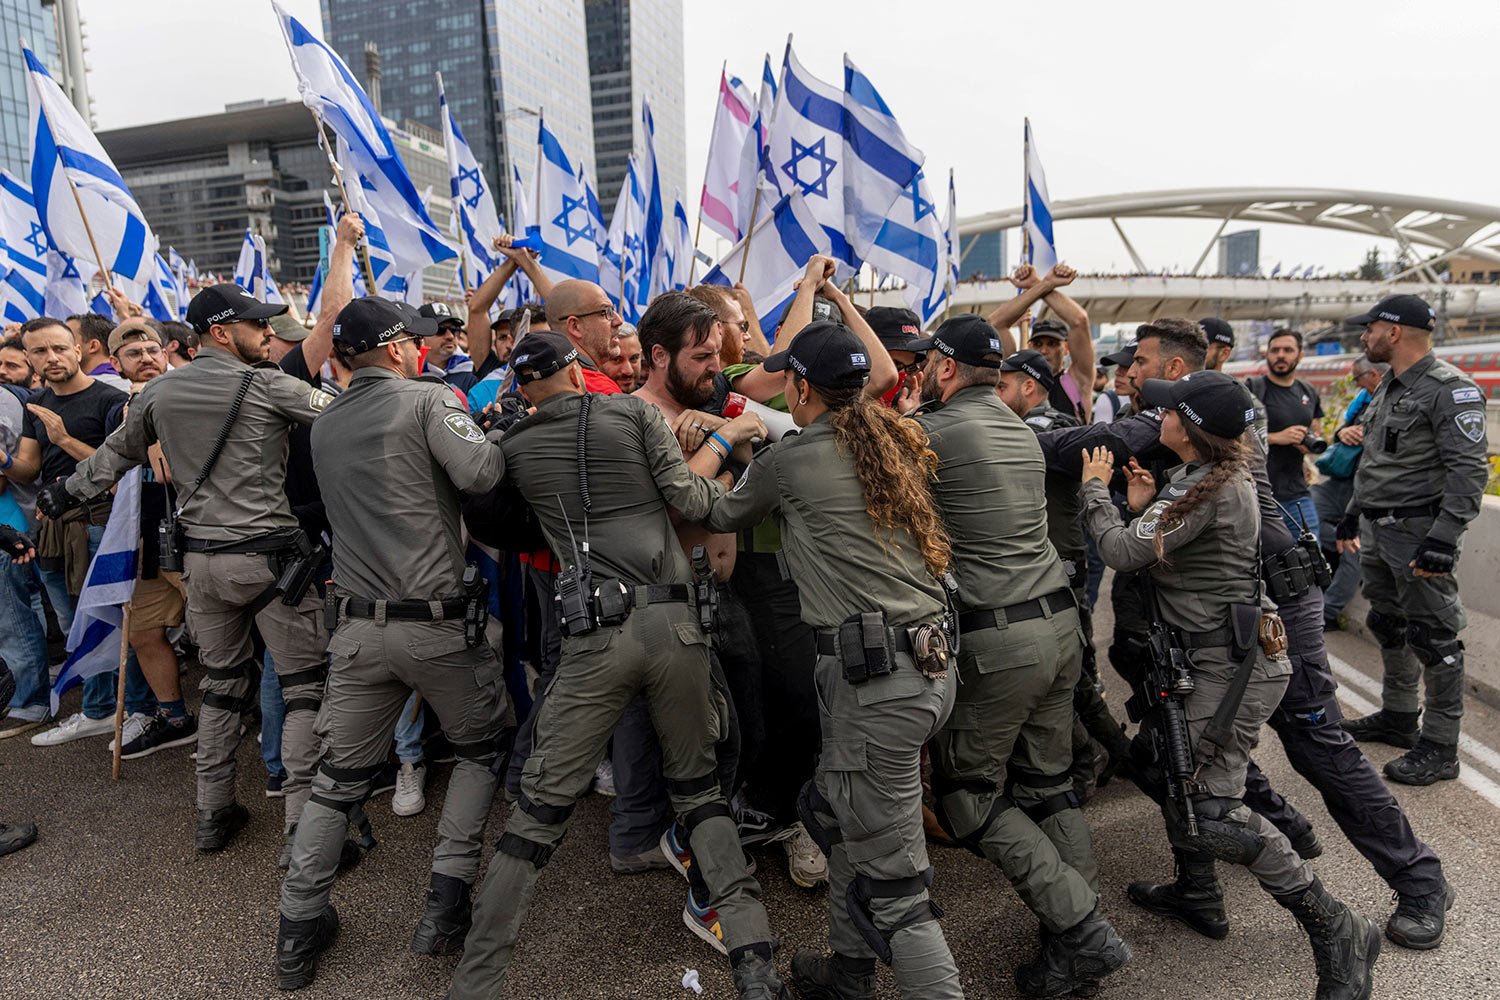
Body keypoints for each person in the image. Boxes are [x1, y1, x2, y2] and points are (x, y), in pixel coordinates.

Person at [450, 332, 788, 1000]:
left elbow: (487, 512)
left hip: (593, 640)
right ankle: (754, 965)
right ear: (578, 373)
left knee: (538, 815)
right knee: (700, 794)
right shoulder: (631, 414)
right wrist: (747, 459)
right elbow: (696, 504)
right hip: (674, 625)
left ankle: (476, 980)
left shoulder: (514, 446)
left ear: (522, 388)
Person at [1081, 370, 1380, 1000]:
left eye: (1167, 411)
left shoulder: (1201, 492)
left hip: (1229, 669)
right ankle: (1197, 894)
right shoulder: (1209, 481)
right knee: (1178, 776)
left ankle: (1336, 926)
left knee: (1216, 813)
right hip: (1220, 659)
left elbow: (1119, 551)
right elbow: (1171, 547)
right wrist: (1143, 511)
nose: (1156, 416)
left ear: (1187, 430)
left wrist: (1095, 494)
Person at [699, 320, 962, 1000]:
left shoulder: (788, 459)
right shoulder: (893, 439)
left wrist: (722, 441)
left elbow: (715, 512)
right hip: (928, 669)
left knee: (899, 889)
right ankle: (848, 975)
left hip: (876, 688)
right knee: (845, 825)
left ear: (799, 388)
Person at [39, 283, 332, 853]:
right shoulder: (268, 383)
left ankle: (212, 812)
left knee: (222, 686)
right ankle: (307, 828)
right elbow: (349, 418)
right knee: (301, 688)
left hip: (201, 564)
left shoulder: (158, 393)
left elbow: (111, 459)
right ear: (222, 333)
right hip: (269, 560)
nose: (269, 333)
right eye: (258, 326)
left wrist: (63, 494)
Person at [275, 296, 516, 990]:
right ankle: (444, 906)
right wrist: (488, 432)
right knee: (478, 749)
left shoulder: (325, 423)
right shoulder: (428, 400)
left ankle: (297, 932)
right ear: (399, 348)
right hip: (436, 624)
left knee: (337, 782)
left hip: (356, 631)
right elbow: (481, 476)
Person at [914, 318, 1130, 997]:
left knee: (969, 800)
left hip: (999, 642)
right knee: (1048, 784)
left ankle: (1083, 928)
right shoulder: (1024, 430)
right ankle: (1074, 948)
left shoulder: (930, 434)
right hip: (1060, 627)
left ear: (945, 369)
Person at [616, 293, 769, 947]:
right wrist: (725, 441)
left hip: (724, 598)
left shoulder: (703, 409)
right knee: (710, 751)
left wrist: (725, 432)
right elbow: (666, 516)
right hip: (675, 607)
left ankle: (686, 838)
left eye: (718, 354)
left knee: (748, 736)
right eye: (702, 356)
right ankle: (708, 894)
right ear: (659, 356)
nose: (716, 366)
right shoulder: (637, 416)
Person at [1337, 293, 1489, 785]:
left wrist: (1443, 539)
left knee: (1434, 637)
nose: (1365, 337)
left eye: (1371, 329)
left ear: (1395, 332)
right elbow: (1379, 461)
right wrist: (1350, 514)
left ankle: (1442, 746)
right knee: (1390, 624)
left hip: (1419, 534)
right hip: (1379, 532)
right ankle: (1400, 716)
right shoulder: (1389, 387)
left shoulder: (1450, 390)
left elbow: (1468, 470)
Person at [5, 317, 156, 746]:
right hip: (51, 530)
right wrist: (3, 459)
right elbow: (31, 467)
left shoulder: (112, 399)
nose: (50, 358)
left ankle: (122, 710)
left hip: (99, 526)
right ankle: (99, 707)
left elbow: (119, 469)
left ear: (79, 349)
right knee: (75, 625)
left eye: (58, 348)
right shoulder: (38, 401)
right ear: (31, 359)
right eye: (39, 351)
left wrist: (64, 436)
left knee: (110, 623)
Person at [996, 347, 1134, 790]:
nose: (993, 395)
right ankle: (1114, 753)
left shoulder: (1049, 427)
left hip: (1056, 565)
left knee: (1069, 675)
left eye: (1001, 386)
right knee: (1068, 676)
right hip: (1041, 564)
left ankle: (1094, 760)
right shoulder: (1024, 424)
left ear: (1029, 386)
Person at [103, 318, 198, 759]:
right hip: (147, 539)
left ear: (166, 352)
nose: (145, 359)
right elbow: (113, 475)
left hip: (199, 537)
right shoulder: (116, 410)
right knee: (143, 632)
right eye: (132, 354)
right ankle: (175, 717)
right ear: (116, 364)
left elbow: (170, 472)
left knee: (222, 635)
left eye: (151, 350)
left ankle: (241, 715)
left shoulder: (190, 394)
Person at [1313, 357, 1385, 629]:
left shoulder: (1397, 400)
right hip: (1341, 481)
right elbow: (1341, 432)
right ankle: (1335, 546)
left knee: (1355, 551)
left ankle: (1326, 615)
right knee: (1307, 521)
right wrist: (1344, 433)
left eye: (1357, 378)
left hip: (1369, 488)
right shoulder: (1363, 401)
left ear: (1374, 374)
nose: (1355, 383)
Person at [988, 263, 1096, 425]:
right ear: (1029, 346)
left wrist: (1036, 284)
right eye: (1038, 344)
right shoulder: (1015, 377)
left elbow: (1079, 320)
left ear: (1066, 348)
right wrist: (1044, 285)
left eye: (1052, 344)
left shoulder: (1077, 380)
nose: (1044, 350)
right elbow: (994, 324)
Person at [1246, 329, 1324, 538]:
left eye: (1288, 350)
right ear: (1267, 355)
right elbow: (1234, 438)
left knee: (1311, 556)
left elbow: (1316, 431)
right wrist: (1278, 437)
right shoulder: (1253, 388)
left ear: (1300, 355)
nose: (1281, 355)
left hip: (1296, 492)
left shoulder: (1308, 391)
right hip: (1259, 495)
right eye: (1275, 350)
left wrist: (1307, 445)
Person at [68, 312, 130, 391]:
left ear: (93, 346)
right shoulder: (128, 378)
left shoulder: (105, 385)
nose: (59, 345)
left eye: (69, 339)